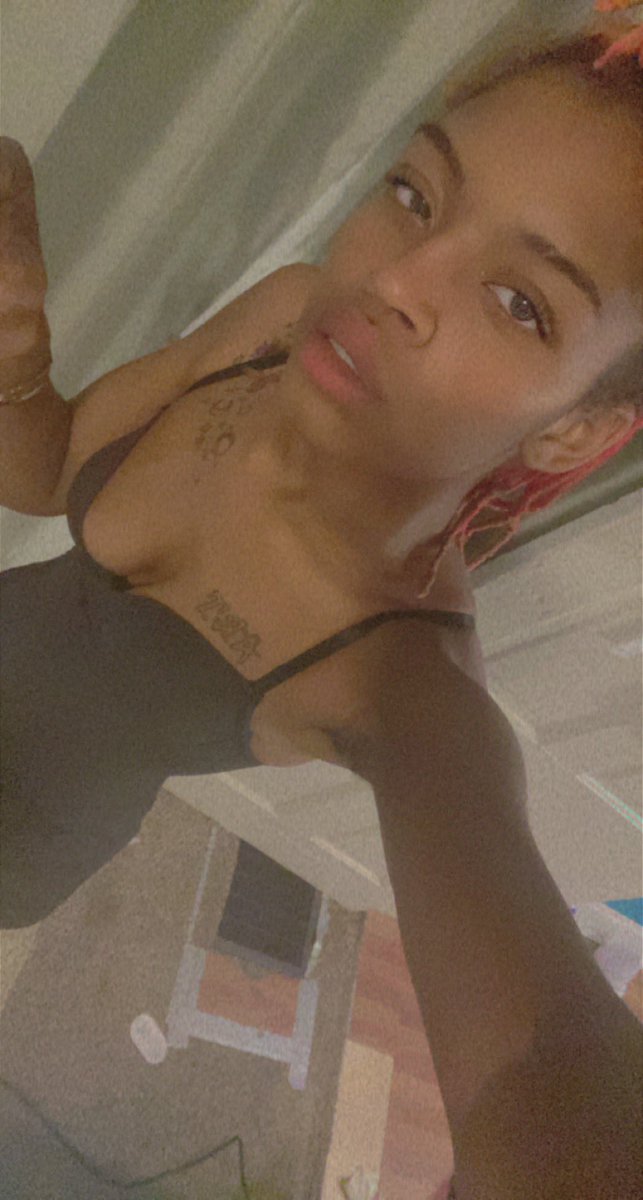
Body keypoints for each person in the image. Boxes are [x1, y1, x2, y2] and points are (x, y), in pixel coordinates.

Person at [1, 7, 642, 1196]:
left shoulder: (402, 687)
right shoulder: (280, 321)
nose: (394, 279)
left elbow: (543, 1079)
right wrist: (14, 344)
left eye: (521, 303)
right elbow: (42, 470)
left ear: (575, 429)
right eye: (413, 194)